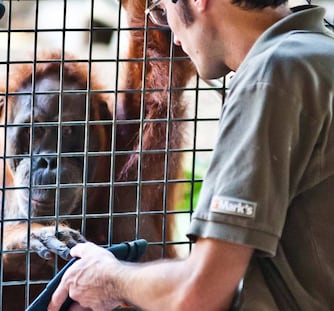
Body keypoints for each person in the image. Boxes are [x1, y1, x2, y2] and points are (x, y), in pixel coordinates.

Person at [48, 0, 334, 310]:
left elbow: (199, 293)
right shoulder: (320, 53)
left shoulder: (273, 75)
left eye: (161, 8)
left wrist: (110, 279)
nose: (170, 32)